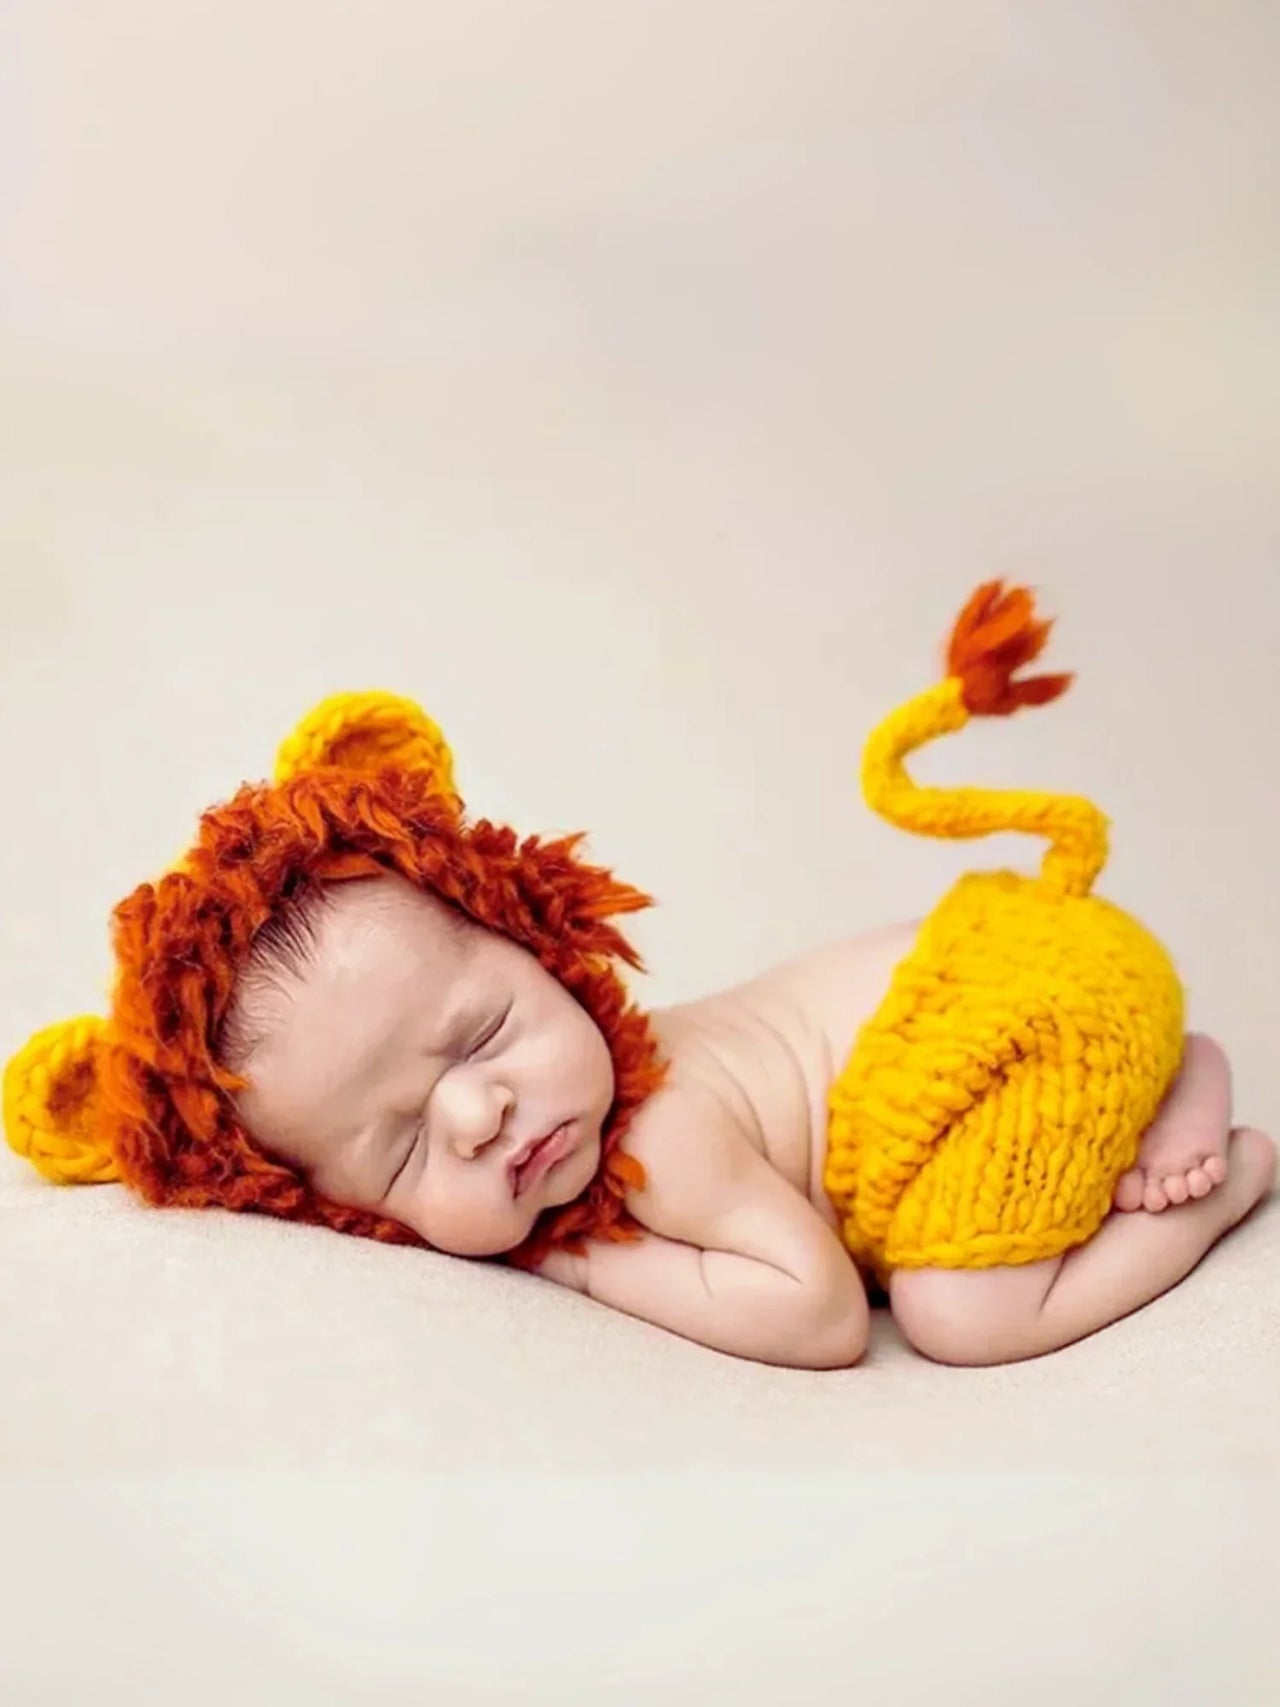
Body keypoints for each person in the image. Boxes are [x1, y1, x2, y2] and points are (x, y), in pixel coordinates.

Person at [6, 584, 1274, 1368]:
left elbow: (819, 1314)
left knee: (960, 1316)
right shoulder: (557, 1109)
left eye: (482, 1034)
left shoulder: (657, 1138)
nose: (475, 1113)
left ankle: (1213, 1159)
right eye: (396, 1152)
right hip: (995, 985)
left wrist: (578, 1261)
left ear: (539, 950)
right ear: (346, 1211)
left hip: (1016, 1007)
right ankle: (1162, 1090)